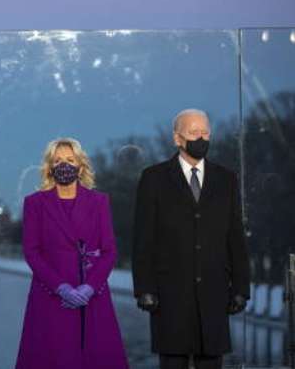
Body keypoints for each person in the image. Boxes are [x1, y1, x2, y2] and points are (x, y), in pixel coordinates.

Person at [132, 109, 250, 369]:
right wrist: (144, 289)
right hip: (170, 296)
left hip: (214, 294)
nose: (201, 138)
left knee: (211, 362)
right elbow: (143, 239)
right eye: (194, 132)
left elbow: (235, 237)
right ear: (177, 138)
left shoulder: (226, 179)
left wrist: (241, 287)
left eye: (205, 132)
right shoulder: (154, 178)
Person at [16, 138, 128, 369]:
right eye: (57, 161)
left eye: (69, 160)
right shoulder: (34, 203)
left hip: (92, 297)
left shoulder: (99, 201)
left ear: (80, 165)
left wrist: (89, 288)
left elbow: (109, 251)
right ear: (49, 167)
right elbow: (32, 252)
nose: (63, 165)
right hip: (50, 298)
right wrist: (62, 288)